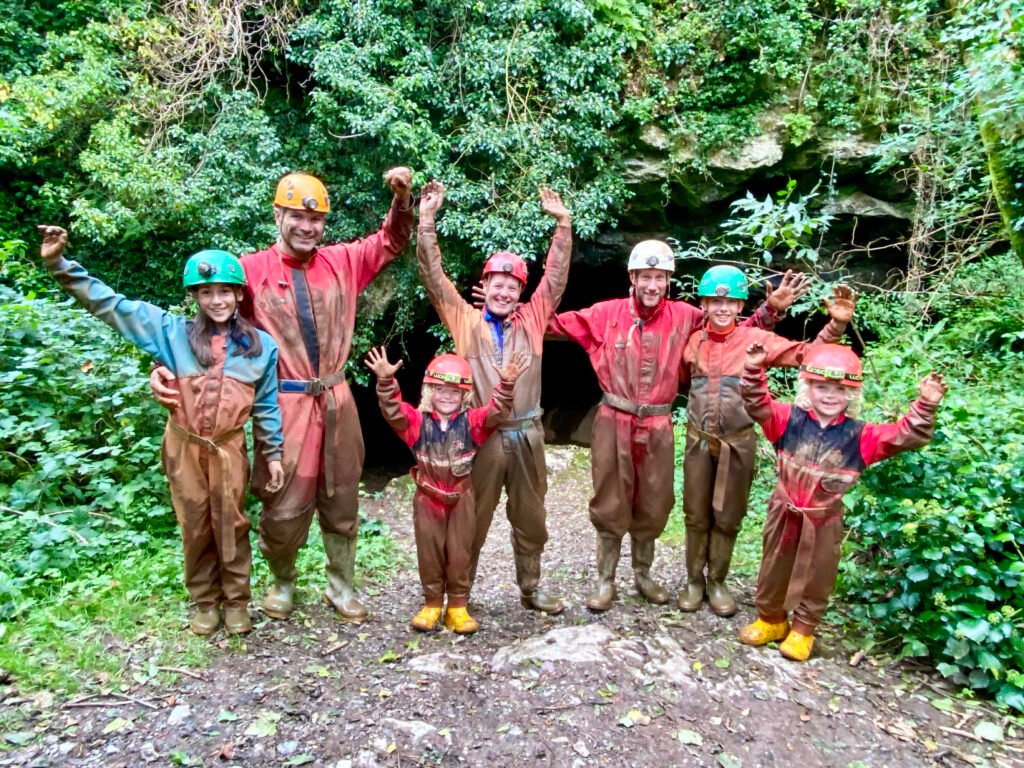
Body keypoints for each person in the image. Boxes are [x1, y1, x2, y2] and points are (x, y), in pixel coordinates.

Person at [151, 169, 414, 621]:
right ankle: (283, 582)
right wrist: (167, 367)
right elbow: (213, 327)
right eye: (296, 216)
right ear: (278, 215)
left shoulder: (343, 261)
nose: (307, 226)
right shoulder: (249, 271)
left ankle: (341, 585)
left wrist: (402, 198)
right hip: (285, 401)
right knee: (283, 500)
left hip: (337, 399)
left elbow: (391, 239)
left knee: (343, 494)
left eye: (316, 220)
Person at [38, 226, 285, 635]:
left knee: (233, 522)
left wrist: (272, 455)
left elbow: (267, 407)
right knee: (194, 523)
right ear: (195, 297)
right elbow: (111, 305)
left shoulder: (261, 347)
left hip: (229, 449)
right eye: (206, 292)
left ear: (239, 294)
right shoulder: (172, 333)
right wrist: (59, 265)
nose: (216, 300)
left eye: (224, 291)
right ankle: (205, 602)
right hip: (184, 446)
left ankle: (238, 600)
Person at [547, 243, 807, 611]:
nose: (652, 285)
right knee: (610, 500)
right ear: (633, 278)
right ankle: (605, 581)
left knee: (654, 501)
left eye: (659, 278)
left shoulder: (686, 316)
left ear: (668, 281)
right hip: (614, 418)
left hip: (658, 421)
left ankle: (643, 575)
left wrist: (771, 310)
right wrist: (504, 315)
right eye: (645, 277)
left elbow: (730, 334)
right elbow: (550, 324)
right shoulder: (605, 314)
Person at [415, 180, 569, 614]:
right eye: (496, 285)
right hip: (480, 438)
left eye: (512, 287)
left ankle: (531, 587)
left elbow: (554, 281)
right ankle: (460, 594)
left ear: (521, 292)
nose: (503, 292)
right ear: (485, 285)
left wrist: (562, 226)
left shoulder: (533, 320)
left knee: (531, 517)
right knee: (470, 518)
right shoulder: (464, 321)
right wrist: (426, 220)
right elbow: (434, 278)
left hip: (527, 435)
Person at [738, 342, 946, 660]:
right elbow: (756, 403)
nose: (830, 395)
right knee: (774, 565)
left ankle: (803, 630)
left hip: (824, 516)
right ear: (807, 387)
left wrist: (926, 405)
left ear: (851, 394)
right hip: (785, 510)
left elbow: (906, 436)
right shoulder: (785, 418)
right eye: (821, 387)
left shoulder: (862, 436)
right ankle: (771, 620)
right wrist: (753, 368)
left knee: (818, 573)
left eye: (839, 388)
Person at [679, 266, 856, 617]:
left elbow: (806, 355)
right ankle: (693, 581)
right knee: (695, 515)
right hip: (698, 442)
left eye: (730, 301)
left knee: (728, 517)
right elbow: (683, 379)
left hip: (738, 443)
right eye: (715, 301)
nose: (722, 308)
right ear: (704, 303)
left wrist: (835, 326)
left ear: (741, 305)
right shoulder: (693, 340)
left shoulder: (754, 341)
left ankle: (716, 581)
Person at [366, 347, 529, 634]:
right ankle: (431, 605)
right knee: (429, 553)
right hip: (428, 499)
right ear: (429, 391)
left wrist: (506, 385)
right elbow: (392, 411)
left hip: (461, 498)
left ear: (464, 396)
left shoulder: (473, 423)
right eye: (440, 390)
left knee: (460, 552)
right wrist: (385, 382)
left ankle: (457, 606)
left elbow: (496, 412)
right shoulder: (416, 423)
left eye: (454, 392)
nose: (446, 397)